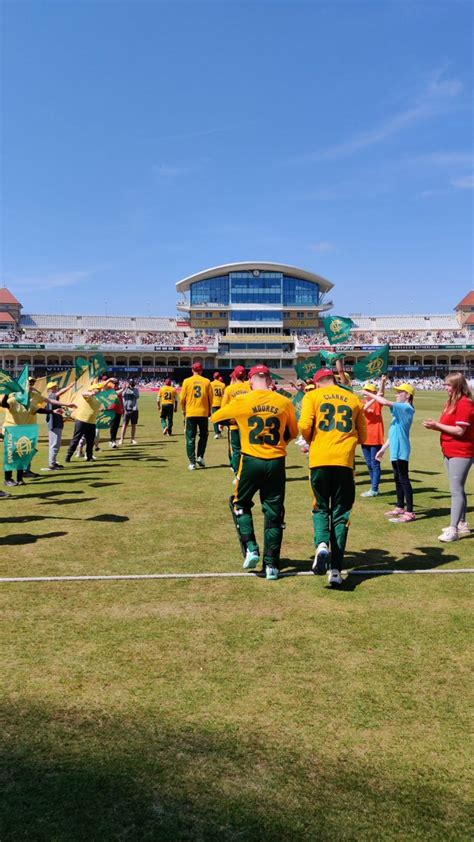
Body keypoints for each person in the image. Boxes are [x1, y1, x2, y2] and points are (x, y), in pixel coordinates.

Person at [212, 364, 298, 580]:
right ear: (269, 380)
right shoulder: (284, 401)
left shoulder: (242, 400)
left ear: (250, 381)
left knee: (240, 504)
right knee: (274, 514)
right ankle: (272, 566)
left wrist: (239, 420)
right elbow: (293, 432)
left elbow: (216, 417)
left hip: (251, 460)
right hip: (276, 461)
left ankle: (251, 547)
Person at [299, 368, 367, 586]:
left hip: (319, 459)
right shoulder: (353, 399)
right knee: (341, 514)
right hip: (344, 462)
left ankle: (321, 544)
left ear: (318, 383)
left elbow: (305, 426)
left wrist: (311, 440)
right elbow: (364, 435)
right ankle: (336, 570)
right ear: (334, 380)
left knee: (320, 506)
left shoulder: (312, 396)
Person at [423, 372, 474, 542]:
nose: (445, 388)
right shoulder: (452, 402)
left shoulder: (465, 403)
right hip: (450, 450)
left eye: (448, 385)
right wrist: (437, 425)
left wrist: (437, 426)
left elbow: (460, 430)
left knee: (456, 490)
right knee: (458, 488)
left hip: (461, 451)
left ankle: (453, 530)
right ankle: (461, 523)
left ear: (457, 386)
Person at [2, 377, 75, 485]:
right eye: (27, 386)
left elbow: (39, 410)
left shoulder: (29, 403)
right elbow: (4, 404)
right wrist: (7, 394)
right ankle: (8, 479)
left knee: (23, 455)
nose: (30, 387)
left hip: (25, 430)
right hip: (12, 430)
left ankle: (20, 478)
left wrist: (53, 411)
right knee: (11, 455)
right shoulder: (13, 399)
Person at [364, 383, 416, 523]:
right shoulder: (399, 411)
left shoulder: (406, 407)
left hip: (402, 449)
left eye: (400, 392)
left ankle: (410, 512)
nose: (397, 394)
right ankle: (400, 507)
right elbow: (393, 433)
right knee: (397, 479)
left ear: (408, 395)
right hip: (395, 449)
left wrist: (368, 394)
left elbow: (385, 402)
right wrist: (383, 449)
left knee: (404, 480)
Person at [180, 362, 213, 470]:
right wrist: (209, 410)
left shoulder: (186, 381)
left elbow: (182, 399)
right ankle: (200, 456)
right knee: (204, 435)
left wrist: (184, 410)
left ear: (192, 370)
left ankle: (192, 462)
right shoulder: (207, 381)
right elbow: (211, 398)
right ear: (201, 370)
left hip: (190, 413)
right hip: (203, 412)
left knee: (190, 438)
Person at [221, 366, 251, 477]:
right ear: (245, 375)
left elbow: (224, 408)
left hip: (234, 423)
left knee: (236, 449)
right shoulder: (249, 388)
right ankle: (247, 471)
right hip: (247, 424)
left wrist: (223, 423)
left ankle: (237, 473)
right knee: (247, 448)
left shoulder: (229, 389)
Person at [360, 377, 386, 498]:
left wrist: (383, 382)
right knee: (369, 464)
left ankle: (374, 489)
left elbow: (381, 394)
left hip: (375, 437)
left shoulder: (378, 403)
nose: (366, 393)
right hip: (365, 437)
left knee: (375, 464)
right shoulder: (362, 403)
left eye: (369, 391)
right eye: (366, 391)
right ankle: (374, 487)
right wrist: (372, 398)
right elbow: (363, 409)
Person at [65, 386, 102, 463]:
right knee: (76, 439)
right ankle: (68, 455)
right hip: (82, 421)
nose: (98, 391)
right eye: (96, 390)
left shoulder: (99, 399)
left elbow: (113, 394)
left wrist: (123, 389)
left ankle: (89, 456)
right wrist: (91, 393)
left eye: (99, 390)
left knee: (90, 441)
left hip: (92, 422)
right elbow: (83, 393)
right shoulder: (89, 397)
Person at [119, 379, 140, 445]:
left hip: (134, 409)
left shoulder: (136, 390)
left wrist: (132, 390)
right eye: (130, 383)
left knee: (133, 425)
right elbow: (122, 395)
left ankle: (132, 439)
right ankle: (121, 439)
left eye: (132, 383)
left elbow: (137, 396)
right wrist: (125, 388)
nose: (131, 385)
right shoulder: (125, 389)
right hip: (126, 409)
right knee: (124, 425)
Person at [108, 378, 124, 448]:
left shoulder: (118, 389)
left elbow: (121, 400)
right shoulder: (110, 389)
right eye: (115, 383)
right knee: (113, 426)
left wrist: (122, 409)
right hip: (112, 410)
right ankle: (112, 441)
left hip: (118, 410)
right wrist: (123, 388)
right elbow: (116, 394)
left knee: (116, 426)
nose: (116, 384)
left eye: (117, 383)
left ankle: (113, 440)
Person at [210, 371, 225, 439]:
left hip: (214, 403)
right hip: (221, 403)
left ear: (213, 377)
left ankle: (217, 433)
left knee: (215, 419)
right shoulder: (222, 385)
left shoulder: (211, 384)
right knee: (221, 418)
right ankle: (220, 430)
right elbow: (224, 395)